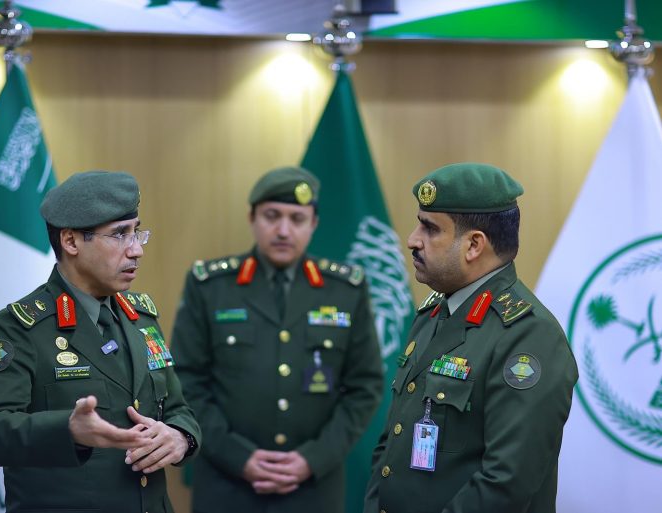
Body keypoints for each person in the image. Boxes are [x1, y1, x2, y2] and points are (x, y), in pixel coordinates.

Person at [0, 171, 201, 513]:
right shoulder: (20, 327)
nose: (136, 250)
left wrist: (180, 436)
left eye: (137, 232)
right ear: (71, 242)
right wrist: (67, 430)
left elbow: (178, 408)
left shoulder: (141, 317)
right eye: (119, 234)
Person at [364, 162, 578, 513]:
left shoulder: (528, 335)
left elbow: (505, 483)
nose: (413, 240)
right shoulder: (434, 313)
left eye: (430, 228)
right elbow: (392, 444)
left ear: (474, 245)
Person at [172, 166, 383, 513]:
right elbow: (185, 381)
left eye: (297, 219)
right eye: (272, 216)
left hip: (313, 489)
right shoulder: (210, 286)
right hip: (227, 484)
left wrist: (314, 458)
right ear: (252, 218)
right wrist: (237, 456)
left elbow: (365, 386)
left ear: (314, 224)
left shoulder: (345, 289)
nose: (284, 230)